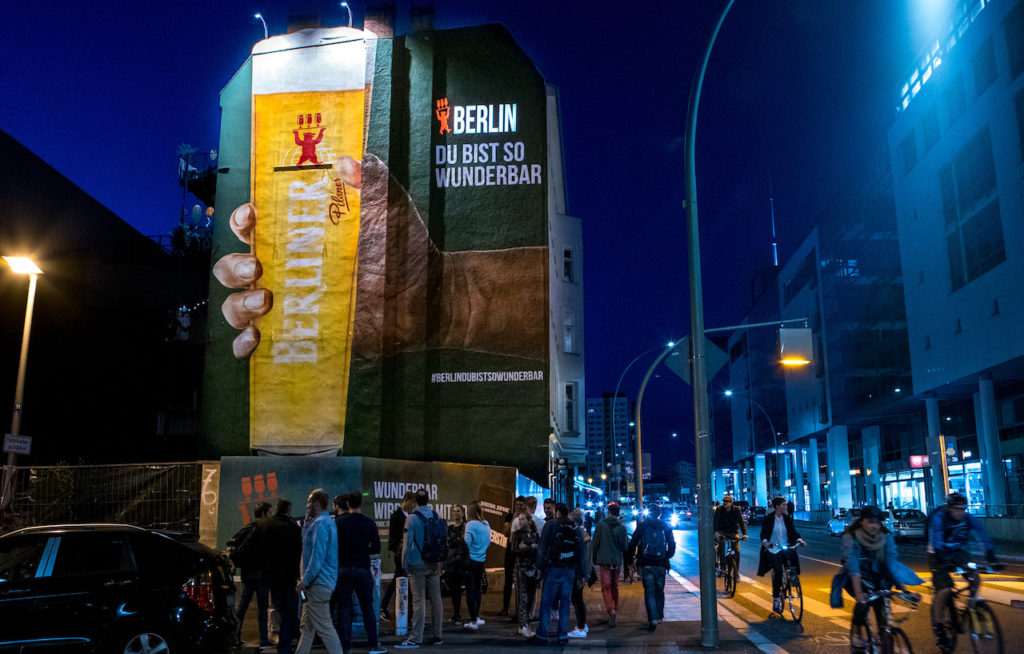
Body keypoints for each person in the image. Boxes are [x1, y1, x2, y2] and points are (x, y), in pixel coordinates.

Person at [840, 505, 921, 654]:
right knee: (863, 602)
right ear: (861, 522)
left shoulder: (887, 539)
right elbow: (854, 566)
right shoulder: (852, 538)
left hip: (879, 579)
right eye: (870, 522)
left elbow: (892, 566)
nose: (874, 526)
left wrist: (905, 591)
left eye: (877, 522)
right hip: (856, 578)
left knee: (884, 624)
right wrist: (858, 593)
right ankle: (857, 631)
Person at [928, 492, 996, 651]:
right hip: (937, 553)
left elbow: (982, 533)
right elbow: (936, 538)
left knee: (975, 577)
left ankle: (972, 605)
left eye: (963, 509)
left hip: (959, 552)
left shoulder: (967, 518)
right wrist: (943, 560)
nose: (960, 512)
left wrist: (991, 553)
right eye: (957, 509)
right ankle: (939, 627)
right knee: (944, 590)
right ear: (949, 508)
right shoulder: (940, 518)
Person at [334, 490, 387, 654]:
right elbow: (377, 548)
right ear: (360, 504)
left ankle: (345, 647)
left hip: (343, 569)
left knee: (344, 609)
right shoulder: (369, 523)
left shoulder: (339, 522)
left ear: (347, 504)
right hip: (363, 569)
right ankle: (373, 645)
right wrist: (363, 551)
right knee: (367, 608)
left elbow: (333, 546)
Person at [295, 489, 343, 654]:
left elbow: (317, 556)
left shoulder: (321, 524)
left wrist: (304, 581)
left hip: (318, 584)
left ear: (315, 503)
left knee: (325, 628)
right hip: (316, 584)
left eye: (309, 502)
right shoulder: (321, 522)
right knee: (307, 627)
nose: (307, 505)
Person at [533, 503, 585, 645]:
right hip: (569, 571)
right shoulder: (575, 527)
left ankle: (542, 635)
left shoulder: (551, 525)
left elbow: (542, 547)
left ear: (557, 513)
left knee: (546, 603)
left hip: (553, 569)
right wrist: (581, 574)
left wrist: (539, 567)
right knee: (565, 604)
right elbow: (581, 552)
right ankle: (562, 636)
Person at [398, 489, 444, 648]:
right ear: (428, 499)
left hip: (417, 563)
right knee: (436, 600)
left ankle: (416, 637)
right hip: (434, 564)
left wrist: (404, 564)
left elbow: (406, 544)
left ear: (416, 501)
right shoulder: (436, 516)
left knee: (419, 602)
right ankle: (438, 635)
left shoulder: (411, 519)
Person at [257, 498, 302, 654]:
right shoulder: (293, 528)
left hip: (271, 576)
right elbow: (298, 553)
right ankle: (284, 643)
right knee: (290, 610)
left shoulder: (265, 526)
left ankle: (273, 637)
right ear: (288, 510)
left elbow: (258, 550)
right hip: (289, 577)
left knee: (276, 608)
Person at [627, 504, 675, 631]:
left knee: (649, 591)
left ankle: (652, 618)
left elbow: (632, 544)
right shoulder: (666, 526)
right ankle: (659, 616)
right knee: (659, 590)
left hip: (646, 563)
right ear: (659, 514)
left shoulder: (643, 526)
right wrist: (666, 556)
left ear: (649, 514)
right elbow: (672, 545)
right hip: (660, 564)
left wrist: (631, 559)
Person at [232, 502, 272, 649]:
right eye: (268, 513)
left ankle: (235, 637)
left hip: (248, 574)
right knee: (262, 609)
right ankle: (263, 640)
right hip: (261, 575)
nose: (270, 516)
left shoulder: (247, 528)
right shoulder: (264, 529)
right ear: (262, 514)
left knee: (242, 608)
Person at [757, 496, 805, 614]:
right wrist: (765, 542)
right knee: (778, 571)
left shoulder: (787, 518)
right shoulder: (769, 518)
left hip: (785, 546)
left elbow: (793, 531)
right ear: (777, 506)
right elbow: (764, 533)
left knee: (793, 555)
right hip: (774, 549)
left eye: (786, 505)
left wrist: (799, 539)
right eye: (783, 505)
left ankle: (793, 577)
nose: (786, 507)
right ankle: (776, 598)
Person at [591, 502, 628, 627]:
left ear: (609, 512)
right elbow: (624, 546)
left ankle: (611, 610)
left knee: (605, 587)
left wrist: (594, 558)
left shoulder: (601, 525)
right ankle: (614, 609)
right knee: (614, 586)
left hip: (604, 560)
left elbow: (595, 543)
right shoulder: (622, 528)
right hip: (616, 561)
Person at [381, 491, 416, 622]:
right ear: (407, 500)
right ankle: (385, 607)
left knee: (400, 578)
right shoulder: (396, 516)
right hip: (400, 552)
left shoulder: (410, 515)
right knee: (400, 577)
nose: (413, 506)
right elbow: (394, 535)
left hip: (406, 552)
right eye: (412, 503)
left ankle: (388, 607)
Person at [510, 501, 542, 638]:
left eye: (523, 519)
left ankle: (527, 622)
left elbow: (539, 550)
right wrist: (531, 548)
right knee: (522, 598)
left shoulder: (535, 533)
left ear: (529, 520)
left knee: (530, 599)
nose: (520, 522)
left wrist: (528, 548)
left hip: (533, 570)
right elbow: (514, 551)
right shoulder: (517, 535)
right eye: (519, 519)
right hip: (521, 570)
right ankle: (522, 625)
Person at [462, 501, 490, 630]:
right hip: (481, 561)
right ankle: (477, 617)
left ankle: (473, 620)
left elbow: (466, 543)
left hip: (470, 561)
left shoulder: (470, 524)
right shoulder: (486, 524)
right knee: (478, 589)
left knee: (470, 591)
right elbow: (488, 542)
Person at [499, 496, 526, 617]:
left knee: (522, 581)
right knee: (508, 580)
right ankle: (505, 607)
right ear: (514, 505)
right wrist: (513, 519)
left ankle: (520, 609)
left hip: (522, 552)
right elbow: (505, 532)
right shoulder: (510, 516)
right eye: (517, 505)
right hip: (510, 551)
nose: (519, 507)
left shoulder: (527, 518)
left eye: (521, 505)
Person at [567, 508, 591, 638]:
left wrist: (582, 575)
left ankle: (581, 628)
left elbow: (583, 557)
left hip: (578, 572)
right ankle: (583, 625)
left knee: (577, 599)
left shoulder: (579, 534)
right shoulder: (584, 533)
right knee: (577, 599)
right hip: (581, 571)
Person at [444, 504, 469, 625]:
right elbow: (448, 543)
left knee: (459, 589)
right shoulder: (449, 528)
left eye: (458, 511)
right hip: (450, 563)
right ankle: (456, 614)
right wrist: (458, 539)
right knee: (453, 590)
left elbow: (464, 544)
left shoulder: (466, 527)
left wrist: (457, 540)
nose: (456, 513)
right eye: (454, 511)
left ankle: (462, 615)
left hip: (462, 563)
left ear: (463, 512)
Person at [713, 495, 748, 575]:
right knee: (721, 547)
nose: (725, 503)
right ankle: (722, 567)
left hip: (733, 532)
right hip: (722, 532)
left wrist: (745, 534)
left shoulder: (736, 510)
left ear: (731, 503)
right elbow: (716, 521)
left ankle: (736, 572)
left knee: (737, 551)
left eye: (727, 501)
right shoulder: (719, 509)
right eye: (724, 501)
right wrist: (716, 532)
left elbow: (741, 522)